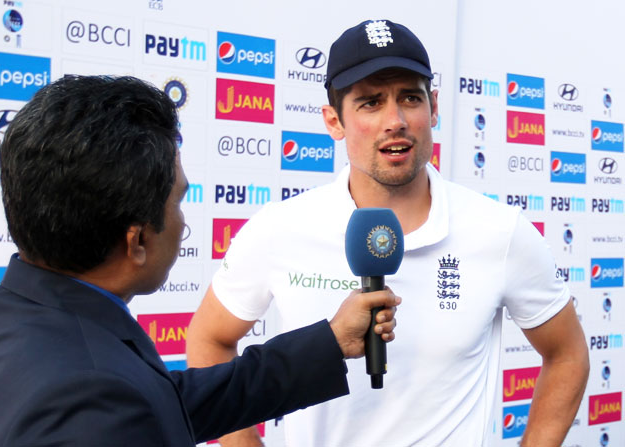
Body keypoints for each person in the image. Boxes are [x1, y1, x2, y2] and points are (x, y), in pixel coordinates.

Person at [186, 19, 589, 447]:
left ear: (433, 107)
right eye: (370, 102)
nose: (395, 120)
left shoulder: (500, 231)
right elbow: (210, 337)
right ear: (333, 120)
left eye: (410, 98)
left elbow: (567, 354)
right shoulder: (278, 228)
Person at [0, 75, 401, 447]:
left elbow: (165, 403)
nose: (183, 221)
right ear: (138, 241)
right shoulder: (93, 405)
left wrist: (328, 342)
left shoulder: (12, 320)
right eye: (179, 201)